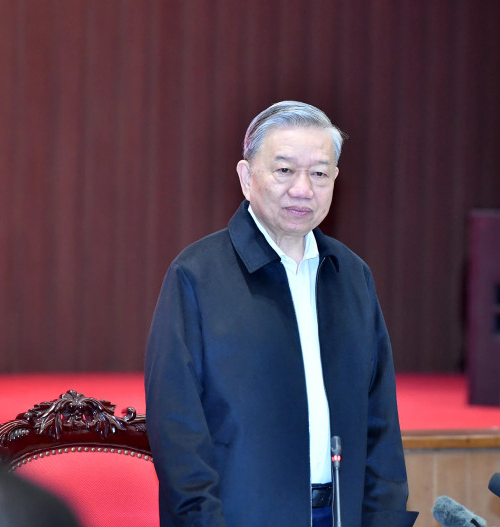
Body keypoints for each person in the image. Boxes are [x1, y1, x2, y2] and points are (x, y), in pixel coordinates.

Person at [145, 101, 417, 527]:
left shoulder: (351, 276)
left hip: (339, 514)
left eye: (320, 174)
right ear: (246, 177)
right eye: (285, 170)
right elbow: (177, 431)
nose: (303, 189)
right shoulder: (197, 275)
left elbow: (381, 424)